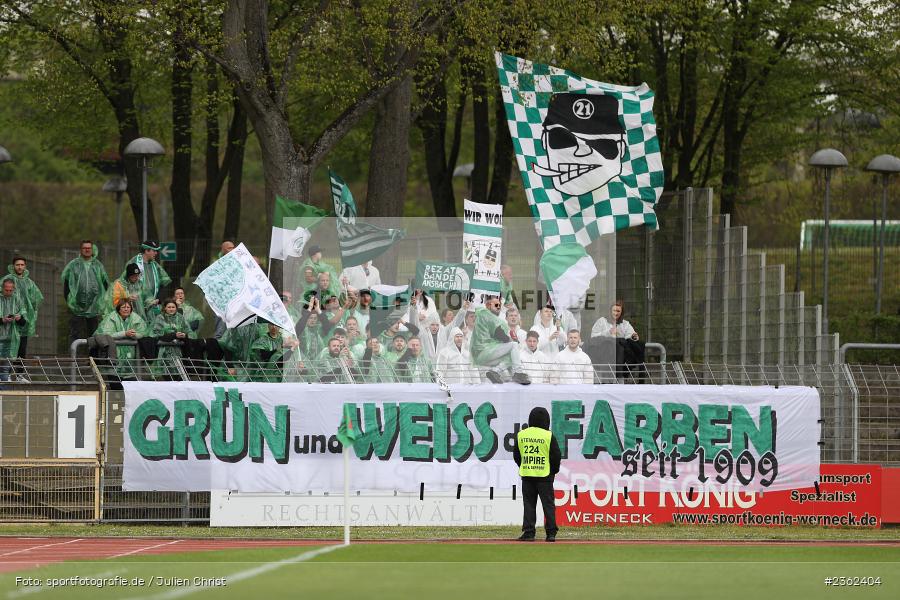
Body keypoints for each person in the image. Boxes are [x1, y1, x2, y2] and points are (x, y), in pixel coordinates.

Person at [513, 406, 561, 542]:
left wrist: (524, 465)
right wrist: (553, 471)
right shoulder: (548, 435)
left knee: (529, 504)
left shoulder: (522, 434)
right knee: (548, 505)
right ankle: (551, 533)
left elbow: (517, 455)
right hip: (545, 476)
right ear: (547, 420)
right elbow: (556, 455)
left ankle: (529, 533)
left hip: (527, 474)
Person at [470, 296, 530, 385]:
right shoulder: (487, 315)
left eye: (499, 305)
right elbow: (500, 335)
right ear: (488, 305)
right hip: (484, 352)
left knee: (510, 355)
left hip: (483, 357)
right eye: (496, 305)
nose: (498, 307)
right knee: (513, 345)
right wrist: (511, 339)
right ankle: (518, 373)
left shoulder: (484, 315)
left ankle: (495, 371)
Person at [62, 240, 110, 343]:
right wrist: (69, 301)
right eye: (85, 248)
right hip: (76, 307)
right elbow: (67, 283)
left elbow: (105, 283)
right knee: (75, 333)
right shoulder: (73, 265)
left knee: (93, 334)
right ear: (81, 250)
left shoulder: (98, 265)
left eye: (89, 248)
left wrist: (101, 302)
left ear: (92, 250)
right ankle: (74, 357)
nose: (87, 250)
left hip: (94, 306)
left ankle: (92, 357)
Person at [588, 300, 645, 380]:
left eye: (618, 311)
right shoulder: (601, 321)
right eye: (614, 310)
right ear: (610, 311)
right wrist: (608, 332)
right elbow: (593, 336)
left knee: (636, 345)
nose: (616, 313)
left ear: (621, 312)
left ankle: (630, 374)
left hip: (620, 356)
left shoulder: (625, 324)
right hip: (603, 353)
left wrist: (634, 336)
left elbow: (630, 335)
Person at [1, 256, 43, 359]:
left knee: (22, 348)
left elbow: (36, 299)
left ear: (25, 266)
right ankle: (7, 374)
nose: (20, 267)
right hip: (7, 322)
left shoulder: (29, 283)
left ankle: (19, 374)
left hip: (22, 319)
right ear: (13, 266)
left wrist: (29, 314)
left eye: (22, 265)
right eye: (17, 265)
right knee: (7, 349)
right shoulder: (6, 280)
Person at [93, 300, 147, 380]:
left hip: (131, 358)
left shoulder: (136, 318)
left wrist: (134, 335)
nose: (126, 309)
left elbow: (144, 333)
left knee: (130, 384)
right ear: (119, 309)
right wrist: (124, 334)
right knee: (115, 384)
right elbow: (106, 334)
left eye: (128, 307)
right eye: (123, 307)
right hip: (113, 355)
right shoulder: (111, 318)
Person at [124, 240, 172, 318]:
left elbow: (164, 282)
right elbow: (123, 282)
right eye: (154, 251)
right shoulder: (133, 262)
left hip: (153, 305)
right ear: (146, 251)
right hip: (136, 306)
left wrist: (158, 299)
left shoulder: (155, 265)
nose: (156, 253)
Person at [0, 279, 25, 381]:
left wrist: (19, 319)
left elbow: (24, 323)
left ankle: (4, 393)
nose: (9, 292)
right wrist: (2, 320)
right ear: (2, 288)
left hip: (11, 341)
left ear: (14, 289)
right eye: (6, 290)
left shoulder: (18, 301)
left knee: (5, 369)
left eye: (11, 290)